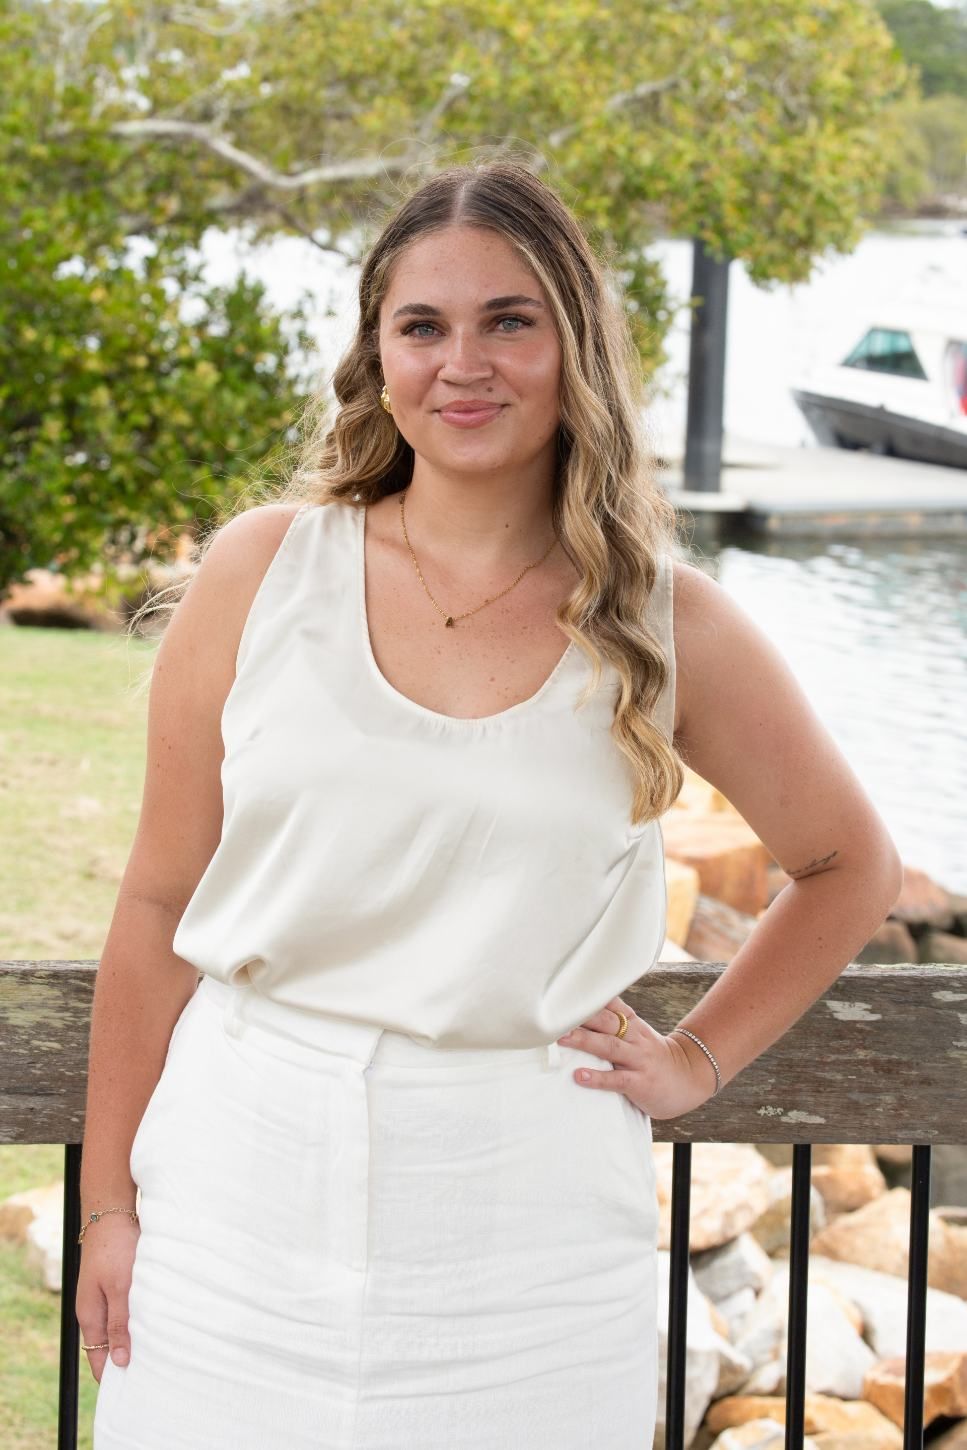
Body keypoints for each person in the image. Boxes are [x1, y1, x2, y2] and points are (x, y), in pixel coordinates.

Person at [77, 159, 903, 1449]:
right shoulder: (262, 573)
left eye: (508, 321)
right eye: (424, 326)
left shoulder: (671, 623)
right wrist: (111, 1212)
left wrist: (695, 1062)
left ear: (573, 347)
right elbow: (158, 900)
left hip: (528, 1239)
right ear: (378, 356)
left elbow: (849, 863)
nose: (464, 363)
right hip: (236, 1200)